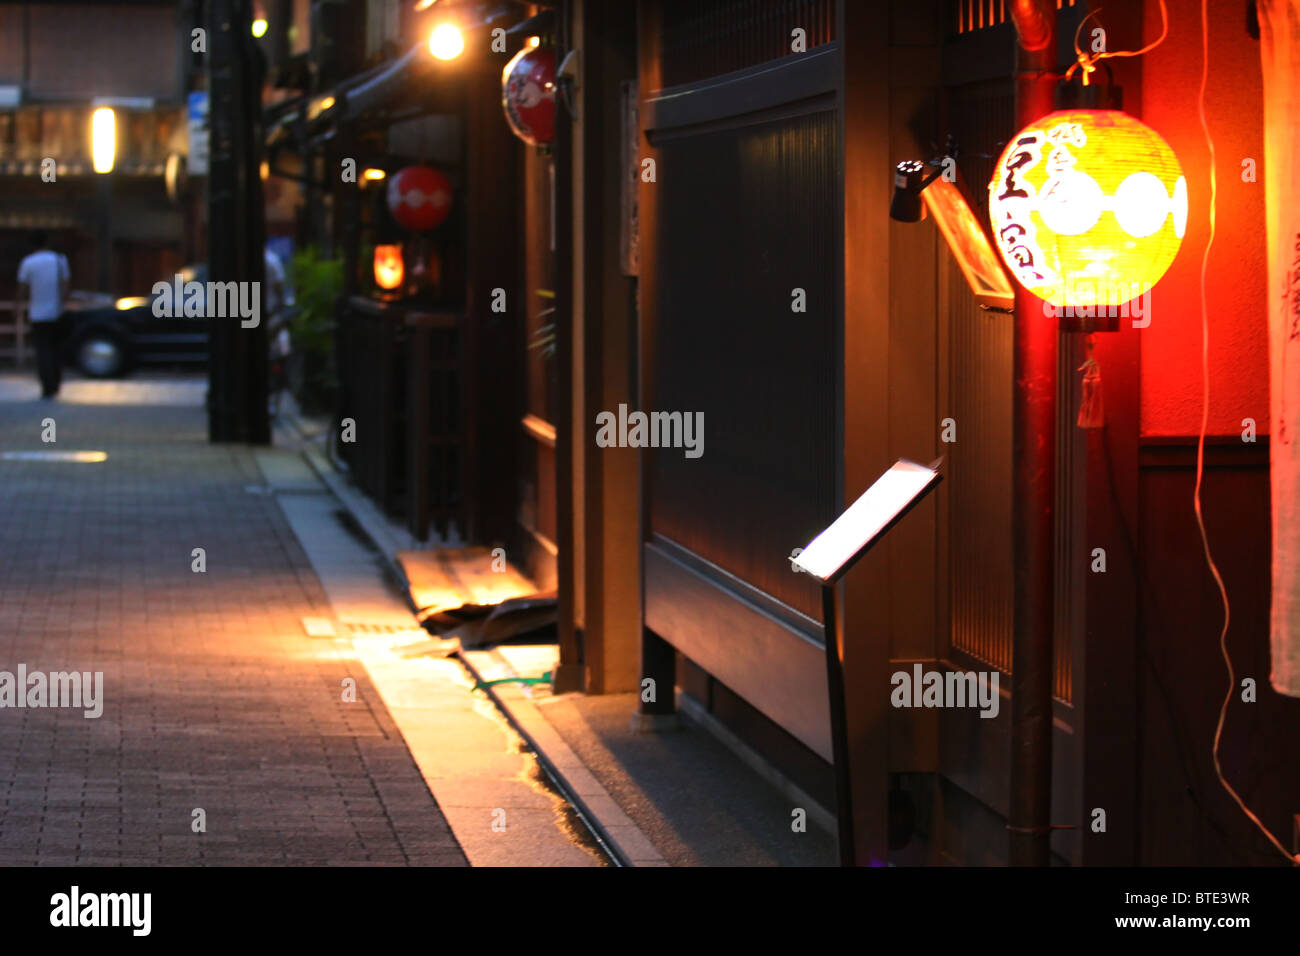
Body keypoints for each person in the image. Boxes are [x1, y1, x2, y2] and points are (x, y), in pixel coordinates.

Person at [17, 232, 70, 398]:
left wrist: (18, 306)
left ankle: (47, 385)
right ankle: (56, 381)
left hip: (37, 313)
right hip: (56, 311)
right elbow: (65, 286)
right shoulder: (60, 260)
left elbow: (22, 289)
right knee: (56, 348)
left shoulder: (28, 262)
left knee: (42, 350)